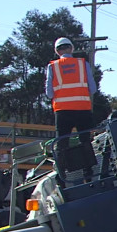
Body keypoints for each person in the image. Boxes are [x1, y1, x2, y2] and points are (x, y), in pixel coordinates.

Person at [45, 37, 97, 183]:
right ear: (72, 48)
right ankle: (89, 173)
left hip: (62, 111)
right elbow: (92, 89)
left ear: (57, 51)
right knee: (85, 141)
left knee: (62, 143)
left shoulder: (52, 67)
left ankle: (62, 175)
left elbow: (49, 93)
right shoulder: (82, 64)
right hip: (83, 109)